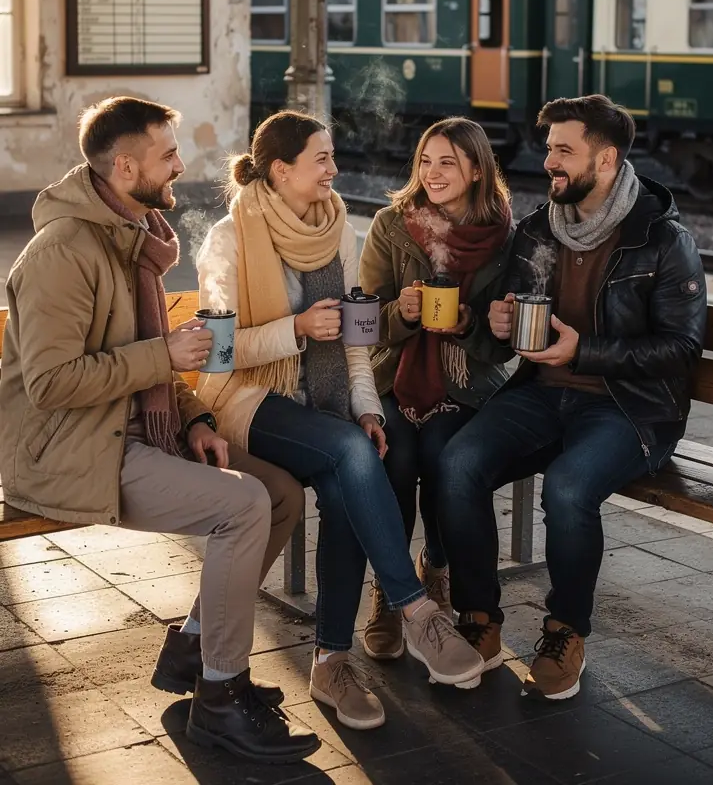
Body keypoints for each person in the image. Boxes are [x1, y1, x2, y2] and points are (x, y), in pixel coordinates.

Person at [0, 97, 318, 764]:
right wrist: (164, 358)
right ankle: (222, 699)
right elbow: (53, 385)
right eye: (167, 154)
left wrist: (196, 415)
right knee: (243, 504)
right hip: (70, 447)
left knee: (281, 491)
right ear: (124, 166)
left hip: (130, 428)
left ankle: (193, 649)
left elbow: (147, 355)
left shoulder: (132, 238)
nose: (181, 164)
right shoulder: (63, 252)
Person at [195, 111, 484, 732]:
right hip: (248, 401)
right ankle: (416, 610)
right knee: (353, 457)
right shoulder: (229, 238)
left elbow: (357, 345)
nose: (334, 169)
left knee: (351, 469)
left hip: (326, 411)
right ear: (281, 169)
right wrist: (292, 331)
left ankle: (331, 663)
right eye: (321, 159)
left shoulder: (339, 232)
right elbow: (215, 357)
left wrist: (369, 410)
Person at [436, 94, 707, 700]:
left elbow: (680, 351)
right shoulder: (538, 230)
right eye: (549, 147)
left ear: (606, 159)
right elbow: (508, 329)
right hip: (543, 391)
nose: (549, 160)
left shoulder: (662, 240)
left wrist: (583, 352)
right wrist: (498, 322)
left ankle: (565, 631)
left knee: (567, 486)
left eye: (564, 150)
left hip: (630, 406)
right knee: (455, 462)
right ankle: (479, 618)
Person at [358, 118, 513, 664]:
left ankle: (437, 569)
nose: (432, 173)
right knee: (395, 457)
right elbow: (363, 324)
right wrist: (399, 314)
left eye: (447, 162)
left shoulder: (504, 236)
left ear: (476, 169)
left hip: (467, 383)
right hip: (396, 379)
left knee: (448, 458)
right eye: (426, 160)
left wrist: (470, 322)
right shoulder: (391, 224)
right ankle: (393, 591)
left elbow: (507, 344)